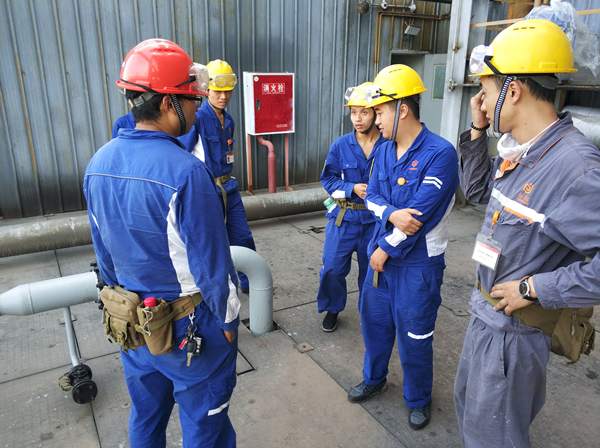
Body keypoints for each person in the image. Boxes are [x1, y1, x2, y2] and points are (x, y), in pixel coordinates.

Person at [84, 39, 240, 448]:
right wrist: (228, 324)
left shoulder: (98, 164)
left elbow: (104, 258)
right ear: (169, 103)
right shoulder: (187, 173)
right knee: (206, 430)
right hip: (189, 329)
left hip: (133, 325)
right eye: (191, 99)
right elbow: (214, 266)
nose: (196, 108)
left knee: (146, 420)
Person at [454, 19, 600, 448]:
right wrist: (478, 131)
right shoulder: (523, 151)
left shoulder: (575, 169)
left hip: (513, 332)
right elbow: (477, 191)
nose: (481, 102)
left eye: (486, 92)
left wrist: (534, 288)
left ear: (514, 91)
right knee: (472, 418)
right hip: (486, 316)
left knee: (493, 437)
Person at [347, 65, 459, 431]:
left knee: (415, 336)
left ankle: (418, 399)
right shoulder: (383, 150)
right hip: (382, 259)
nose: (375, 120)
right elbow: (373, 198)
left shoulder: (440, 154)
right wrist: (392, 213)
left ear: (403, 109)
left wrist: (383, 248)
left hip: (417, 265)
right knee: (375, 326)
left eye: (380, 112)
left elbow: (420, 216)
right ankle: (375, 379)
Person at [179, 59, 256, 294]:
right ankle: (216, 289)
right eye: (218, 91)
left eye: (228, 90)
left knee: (242, 237)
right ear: (207, 90)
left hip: (229, 188)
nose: (224, 96)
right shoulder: (197, 119)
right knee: (212, 243)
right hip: (207, 192)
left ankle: (250, 282)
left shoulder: (229, 120)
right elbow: (181, 155)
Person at [317, 82, 386, 332]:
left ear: (376, 112)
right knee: (332, 268)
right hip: (344, 219)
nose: (357, 118)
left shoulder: (388, 145)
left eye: (364, 112)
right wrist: (352, 188)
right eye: (353, 112)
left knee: (372, 273)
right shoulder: (341, 145)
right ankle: (332, 308)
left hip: (375, 222)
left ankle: (370, 314)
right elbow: (328, 179)